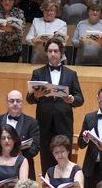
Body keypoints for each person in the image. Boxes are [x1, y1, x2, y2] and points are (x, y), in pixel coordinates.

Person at [26, 38, 84, 173]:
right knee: (46, 159)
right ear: (46, 53)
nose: (53, 54)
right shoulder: (38, 73)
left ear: (61, 53)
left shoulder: (71, 74)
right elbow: (29, 99)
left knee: (64, 160)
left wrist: (71, 99)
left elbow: (80, 99)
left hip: (64, 123)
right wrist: (36, 96)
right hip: (44, 123)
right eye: (50, 51)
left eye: (56, 51)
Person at [0, 90, 40, 179]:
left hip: (23, 168)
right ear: (7, 103)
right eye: (12, 101)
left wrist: (14, 152)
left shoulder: (32, 122)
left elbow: (35, 148)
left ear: (22, 102)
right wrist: (3, 147)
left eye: (18, 101)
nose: (15, 103)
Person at [26, 0, 68, 64]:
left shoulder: (62, 24)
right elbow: (28, 38)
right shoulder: (36, 21)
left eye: (52, 10)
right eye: (46, 10)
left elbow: (63, 43)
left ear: (56, 12)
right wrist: (34, 40)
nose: (48, 13)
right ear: (43, 10)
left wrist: (52, 40)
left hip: (56, 59)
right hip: (38, 58)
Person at [72, 0, 102, 66]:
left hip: (101, 63)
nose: (95, 12)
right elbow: (73, 41)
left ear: (101, 12)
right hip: (82, 63)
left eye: (98, 10)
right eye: (93, 9)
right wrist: (79, 42)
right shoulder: (81, 24)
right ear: (88, 11)